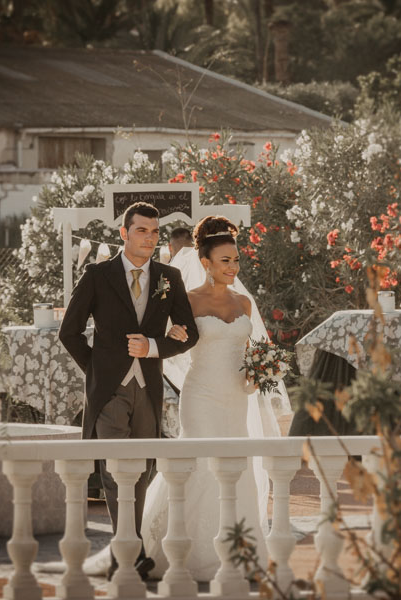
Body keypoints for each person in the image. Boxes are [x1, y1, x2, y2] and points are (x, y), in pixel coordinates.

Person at [59, 201, 198, 580]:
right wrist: (99, 371)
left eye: (154, 232)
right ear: (124, 233)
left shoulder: (169, 276)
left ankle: (130, 546)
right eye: (142, 231)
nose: (150, 238)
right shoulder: (97, 275)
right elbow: (68, 332)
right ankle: (128, 551)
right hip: (109, 393)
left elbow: (189, 332)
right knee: (113, 469)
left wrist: (155, 347)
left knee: (144, 468)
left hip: (148, 388)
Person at [140, 215, 269, 581]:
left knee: (237, 468)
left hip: (235, 398)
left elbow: (250, 355)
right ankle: (187, 554)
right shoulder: (187, 301)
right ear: (205, 262)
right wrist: (171, 333)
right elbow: (167, 342)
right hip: (200, 397)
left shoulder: (244, 304)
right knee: (199, 466)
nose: (233, 267)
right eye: (225, 261)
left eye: (237, 260)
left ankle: (241, 553)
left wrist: (259, 376)